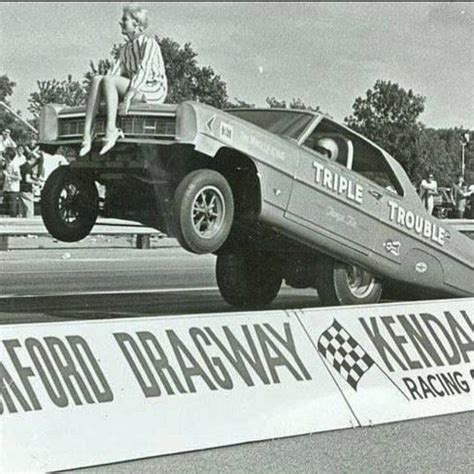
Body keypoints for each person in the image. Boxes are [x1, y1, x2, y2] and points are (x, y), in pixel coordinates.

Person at [80, 5, 168, 157]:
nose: (120, 23)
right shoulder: (125, 49)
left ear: (137, 24)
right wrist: (101, 92)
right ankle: (87, 134)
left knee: (108, 80)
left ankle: (111, 130)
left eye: (124, 19)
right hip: (135, 88)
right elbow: (113, 73)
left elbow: (144, 71)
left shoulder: (149, 44)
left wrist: (128, 98)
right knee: (97, 79)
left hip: (152, 89)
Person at [2, 147, 21, 217]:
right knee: (5, 208)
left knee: (12, 209)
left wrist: (8, 175)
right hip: (7, 188)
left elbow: (19, 177)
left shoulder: (14, 165)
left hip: (13, 189)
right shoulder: (7, 164)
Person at [19, 152, 39, 218]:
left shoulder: (22, 166)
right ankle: (29, 220)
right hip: (27, 189)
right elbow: (27, 179)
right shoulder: (28, 167)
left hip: (21, 188)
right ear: (32, 159)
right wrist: (36, 182)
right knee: (29, 208)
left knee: (22, 209)